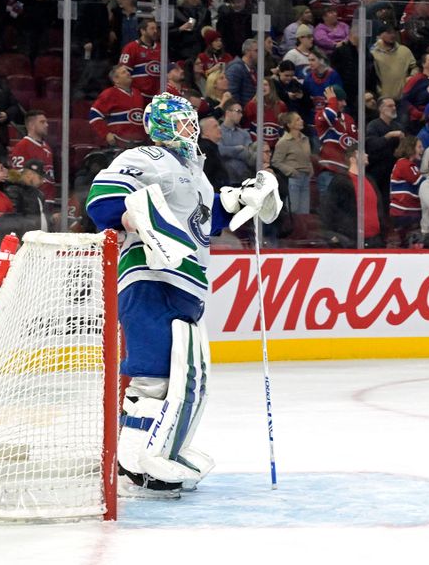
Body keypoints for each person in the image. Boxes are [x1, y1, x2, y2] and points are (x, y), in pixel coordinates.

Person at [84, 92, 281, 497]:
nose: (191, 129)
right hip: (150, 275)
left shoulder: (195, 171)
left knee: (186, 376)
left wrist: (243, 198)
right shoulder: (146, 158)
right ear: (161, 129)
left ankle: (166, 448)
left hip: (187, 282)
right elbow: (101, 199)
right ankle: (134, 463)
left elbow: (204, 220)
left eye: (192, 121)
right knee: (153, 374)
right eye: (182, 123)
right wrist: (130, 217)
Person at [320, 145, 384, 248]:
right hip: (351, 241)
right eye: (362, 153)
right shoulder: (341, 182)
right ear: (352, 159)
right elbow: (328, 208)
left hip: (374, 241)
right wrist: (333, 235)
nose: (367, 155)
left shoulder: (370, 180)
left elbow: (378, 208)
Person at [366, 97, 405, 221]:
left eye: (394, 105)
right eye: (390, 106)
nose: (393, 108)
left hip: (392, 171)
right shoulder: (373, 125)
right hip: (377, 171)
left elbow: (402, 150)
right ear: (381, 109)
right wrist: (388, 136)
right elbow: (371, 146)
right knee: (379, 201)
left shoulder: (397, 125)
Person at [90, 63, 147, 148]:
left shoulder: (138, 93)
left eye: (127, 71)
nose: (128, 73)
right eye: (123, 72)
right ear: (116, 79)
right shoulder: (109, 94)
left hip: (139, 144)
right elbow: (94, 115)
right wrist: (106, 134)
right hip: (119, 144)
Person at [9, 110, 56, 202]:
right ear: (31, 125)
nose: (47, 125)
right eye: (42, 122)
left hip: (49, 199)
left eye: (46, 122)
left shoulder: (47, 147)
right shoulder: (22, 146)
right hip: (33, 201)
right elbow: (16, 176)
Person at [272, 111, 313, 214]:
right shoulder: (284, 142)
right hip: (293, 178)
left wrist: (310, 167)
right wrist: (291, 171)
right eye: (298, 119)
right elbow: (276, 161)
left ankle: (302, 230)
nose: (301, 121)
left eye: (301, 119)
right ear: (289, 125)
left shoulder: (305, 139)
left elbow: (307, 157)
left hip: (306, 177)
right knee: (293, 209)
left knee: (304, 211)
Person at [390, 136, 425, 246]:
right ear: (410, 148)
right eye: (419, 147)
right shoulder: (405, 164)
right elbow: (421, 183)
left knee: (406, 243)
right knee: (407, 244)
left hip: (405, 212)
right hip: (404, 212)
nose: (422, 149)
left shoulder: (404, 164)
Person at [372, 24, 418, 102]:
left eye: (394, 32)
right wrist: (380, 93)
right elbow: (371, 77)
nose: (393, 35)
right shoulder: (373, 54)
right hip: (383, 99)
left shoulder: (404, 50)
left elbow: (415, 66)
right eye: (389, 32)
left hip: (404, 98)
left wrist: (412, 77)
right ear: (380, 35)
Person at [119, 17, 161, 101]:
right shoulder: (131, 48)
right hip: (138, 95)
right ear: (143, 31)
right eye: (152, 28)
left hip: (157, 97)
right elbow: (123, 72)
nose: (155, 31)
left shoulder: (160, 48)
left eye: (156, 28)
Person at [244, 77, 287, 149]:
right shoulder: (251, 105)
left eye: (266, 85)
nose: (263, 87)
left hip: (276, 146)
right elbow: (246, 126)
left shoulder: (281, 105)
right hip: (256, 147)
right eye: (261, 85)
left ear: (271, 88)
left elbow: (284, 126)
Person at [218, 99, 254, 183]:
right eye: (238, 111)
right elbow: (220, 151)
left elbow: (249, 154)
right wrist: (239, 148)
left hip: (244, 175)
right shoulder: (218, 131)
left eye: (242, 112)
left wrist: (229, 151)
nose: (241, 115)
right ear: (228, 113)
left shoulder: (244, 133)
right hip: (226, 175)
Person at [198, 116, 229, 191]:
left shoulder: (211, 147)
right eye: (215, 126)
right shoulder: (205, 149)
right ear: (205, 131)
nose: (219, 128)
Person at [225, 38, 259, 107]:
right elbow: (232, 94)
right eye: (256, 51)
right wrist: (240, 112)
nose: (260, 54)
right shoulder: (235, 69)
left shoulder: (254, 69)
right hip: (242, 112)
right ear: (247, 52)